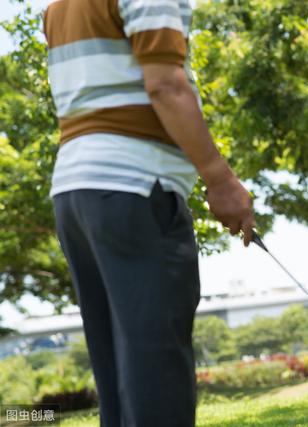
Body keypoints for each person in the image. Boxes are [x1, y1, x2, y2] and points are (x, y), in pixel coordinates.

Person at [43, 0, 254, 425]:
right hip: (134, 188)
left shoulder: (57, 6)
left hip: (74, 193)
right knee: (156, 365)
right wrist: (219, 178)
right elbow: (165, 86)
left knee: (120, 368)